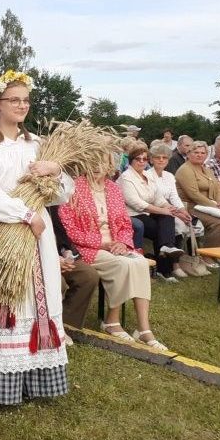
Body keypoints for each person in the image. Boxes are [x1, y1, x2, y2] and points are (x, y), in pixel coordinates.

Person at [0, 70, 72, 404]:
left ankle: (39, 382)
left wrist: (54, 170)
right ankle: (4, 386)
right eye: (14, 100)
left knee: (41, 296)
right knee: (10, 298)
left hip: (39, 233)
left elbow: (64, 193)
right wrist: (25, 214)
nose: (22, 105)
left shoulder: (38, 145)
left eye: (26, 100)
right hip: (7, 229)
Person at [59, 156, 168, 351]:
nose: (96, 166)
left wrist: (122, 243)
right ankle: (112, 320)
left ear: (109, 165)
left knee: (140, 262)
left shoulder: (113, 188)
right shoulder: (73, 188)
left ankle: (144, 329)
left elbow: (126, 223)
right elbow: (69, 229)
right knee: (123, 264)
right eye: (92, 162)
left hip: (116, 244)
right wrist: (103, 244)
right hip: (88, 248)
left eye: (100, 162)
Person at [118, 146, 184, 281]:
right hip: (131, 214)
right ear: (131, 160)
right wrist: (162, 210)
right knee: (162, 230)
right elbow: (136, 203)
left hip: (146, 213)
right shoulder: (126, 177)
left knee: (167, 218)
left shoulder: (147, 175)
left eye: (144, 159)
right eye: (138, 159)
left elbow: (158, 198)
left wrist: (170, 208)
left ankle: (166, 250)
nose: (142, 162)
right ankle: (164, 268)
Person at [175, 141, 220, 258]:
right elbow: (193, 194)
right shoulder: (185, 170)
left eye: (203, 153)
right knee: (219, 222)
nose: (200, 155)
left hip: (209, 205)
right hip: (191, 206)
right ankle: (209, 256)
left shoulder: (207, 170)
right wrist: (214, 206)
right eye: (196, 152)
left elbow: (217, 189)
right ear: (188, 154)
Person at [146, 143, 194, 278]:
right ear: (151, 159)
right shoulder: (147, 175)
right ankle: (173, 266)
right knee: (174, 223)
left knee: (183, 222)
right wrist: (177, 213)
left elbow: (174, 196)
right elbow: (156, 198)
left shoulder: (169, 176)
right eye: (157, 157)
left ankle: (174, 263)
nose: (161, 160)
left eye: (164, 158)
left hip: (169, 210)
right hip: (152, 210)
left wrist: (183, 211)